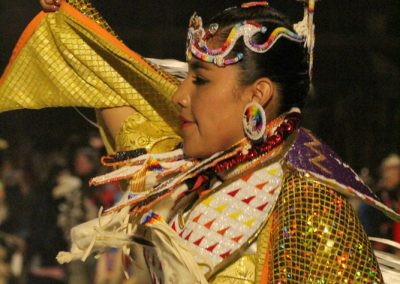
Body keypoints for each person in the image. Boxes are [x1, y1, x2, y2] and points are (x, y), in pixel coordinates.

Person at [2, 1, 400, 283]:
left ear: (257, 94)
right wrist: (77, 14)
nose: (180, 95)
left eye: (201, 80)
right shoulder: (183, 180)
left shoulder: (310, 207)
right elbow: (113, 85)